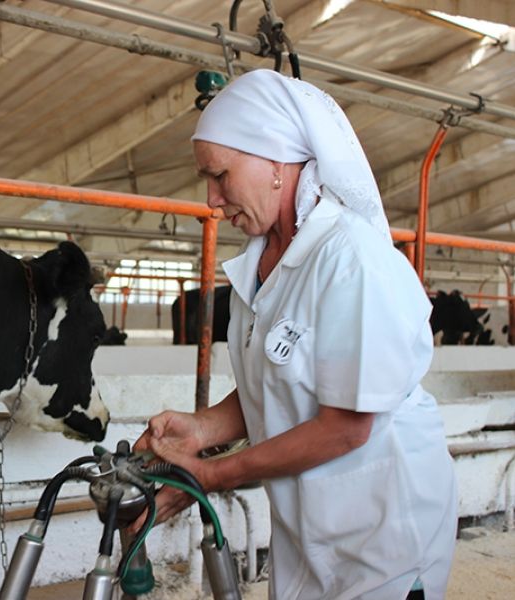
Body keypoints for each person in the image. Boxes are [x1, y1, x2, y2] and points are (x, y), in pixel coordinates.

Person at [132, 70, 457, 600]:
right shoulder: (257, 267)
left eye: (221, 176)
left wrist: (214, 476)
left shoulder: (353, 261)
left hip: (382, 537)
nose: (212, 199)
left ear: (277, 164)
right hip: (309, 533)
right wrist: (202, 429)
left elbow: (346, 427)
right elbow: (278, 378)